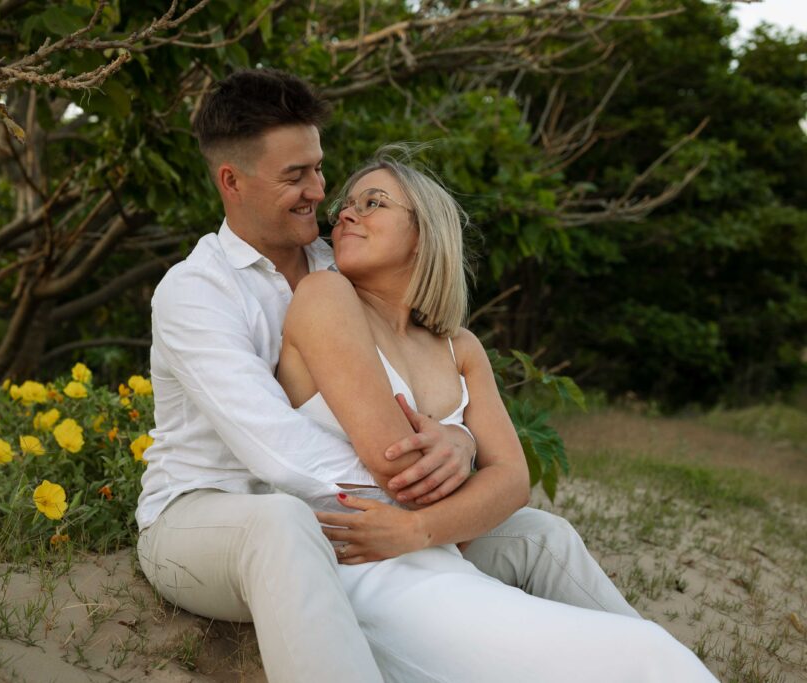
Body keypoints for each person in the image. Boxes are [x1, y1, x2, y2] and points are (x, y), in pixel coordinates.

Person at [135, 68, 681, 681]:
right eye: (295, 175)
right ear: (231, 180)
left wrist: (461, 443)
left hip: (343, 515)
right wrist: (435, 511)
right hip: (208, 516)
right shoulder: (196, 291)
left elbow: (431, 387)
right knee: (285, 525)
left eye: (318, 168)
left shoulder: (338, 258)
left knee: (537, 535)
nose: (322, 192)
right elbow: (279, 452)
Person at [273, 148, 719, 681]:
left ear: (426, 231)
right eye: (347, 204)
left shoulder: (458, 346)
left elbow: (514, 482)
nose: (346, 212)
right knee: (645, 656)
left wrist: (435, 505)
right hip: (367, 561)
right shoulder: (325, 295)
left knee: (626, 630)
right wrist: (468, 459)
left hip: (425, 547)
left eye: (374, 202)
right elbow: (397, 465)